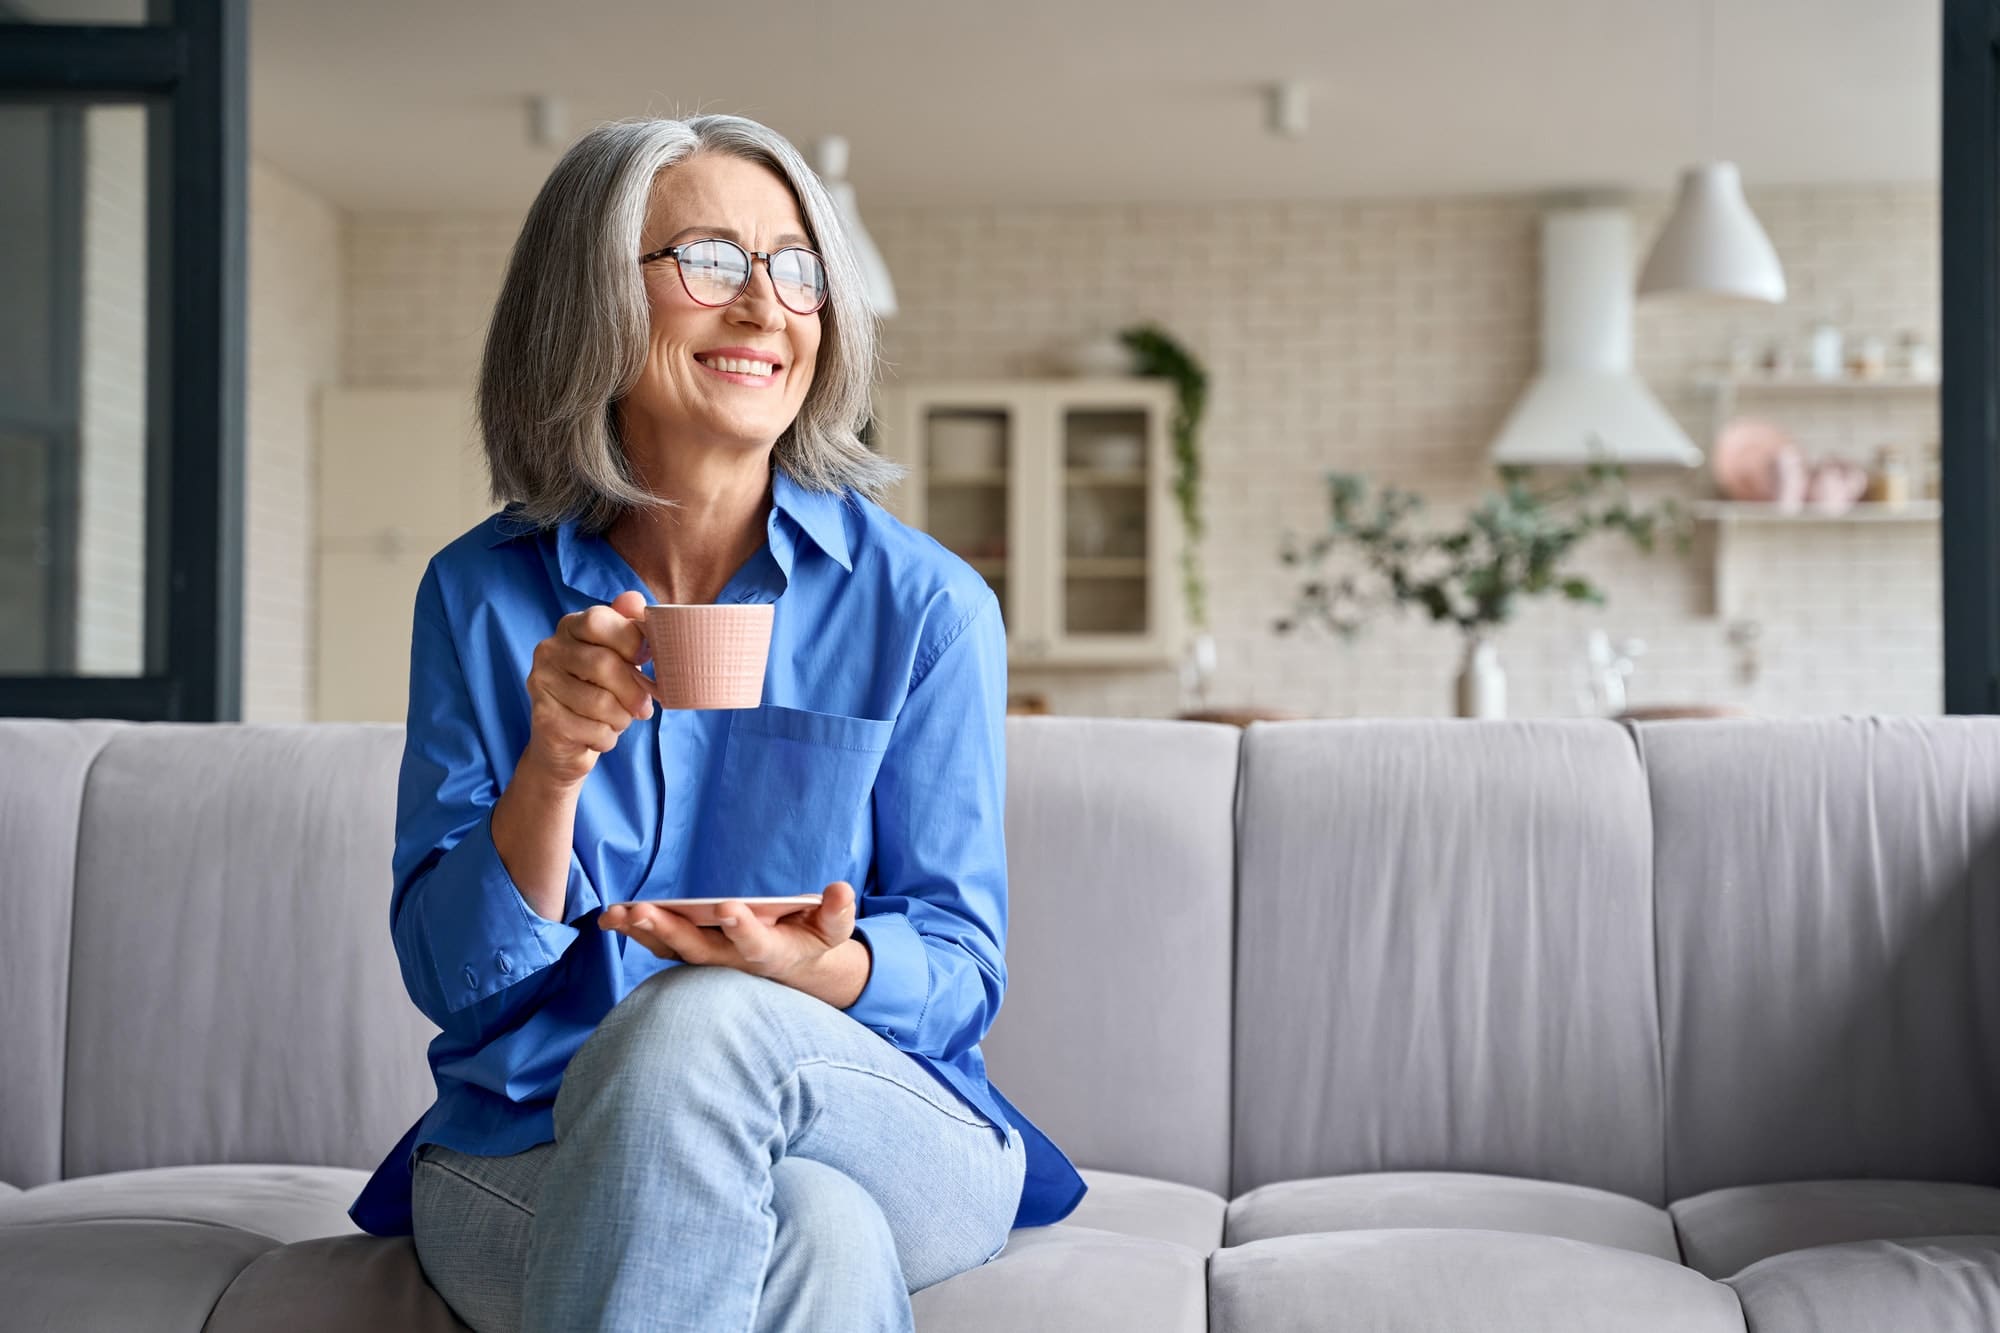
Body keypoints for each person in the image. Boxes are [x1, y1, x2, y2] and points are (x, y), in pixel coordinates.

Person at [346, 114, 1085, 1333]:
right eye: (709, 260)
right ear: (587, 303)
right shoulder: (480, 595)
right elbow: (454, 985)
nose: (765, 305)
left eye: (797, 267)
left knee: (698, 1027)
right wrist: (553, 766)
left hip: (873, 1111)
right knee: (814, 1232)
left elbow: (960, 970)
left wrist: (815, 970)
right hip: (529, 1144)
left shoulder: (926, 607)